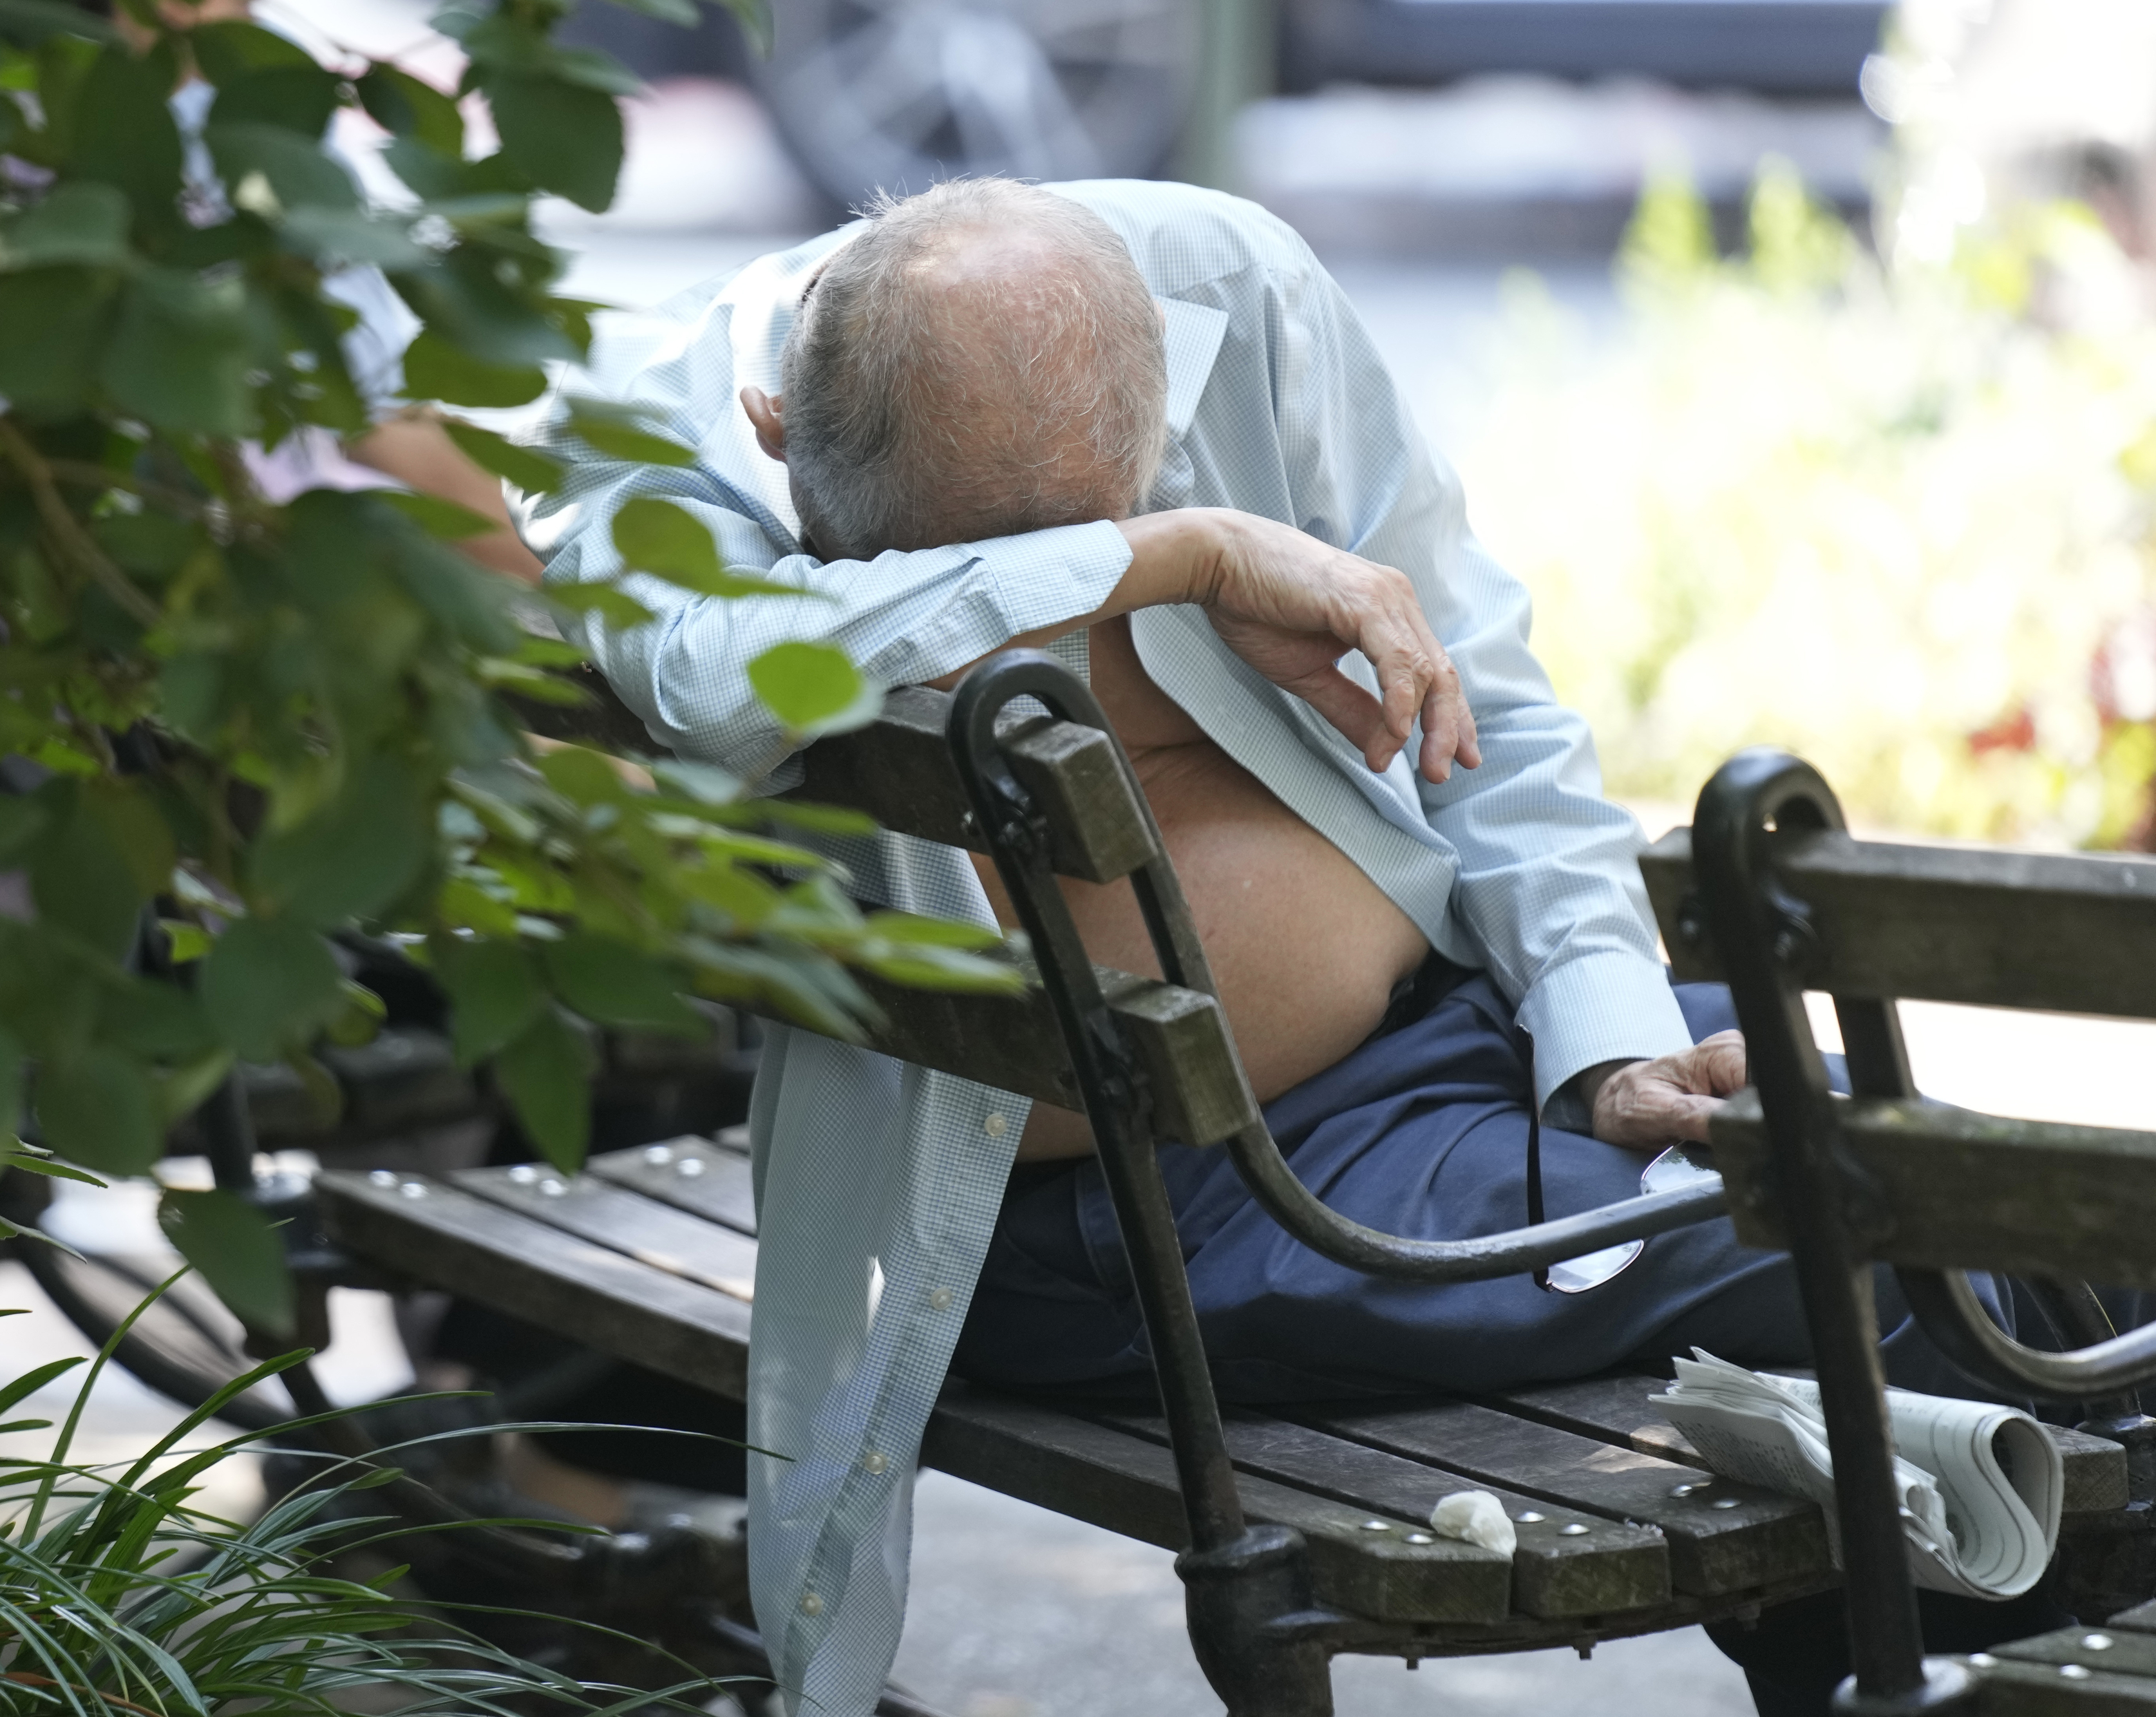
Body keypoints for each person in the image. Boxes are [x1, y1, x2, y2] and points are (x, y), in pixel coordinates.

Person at [520, 178, 2112, 1717]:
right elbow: (721, 679)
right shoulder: (639, 421)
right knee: (1912, 1258)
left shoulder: (1228, 291)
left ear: (1146, 405)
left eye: (1110, 523)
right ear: (775, 433)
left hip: (1452, 1042)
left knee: (1925, 1174)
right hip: (1139, 1212)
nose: (1065, 608)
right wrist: (1183, 553)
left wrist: (1608, 1038)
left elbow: (1488, 695)